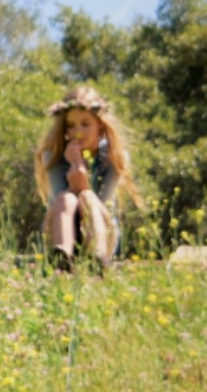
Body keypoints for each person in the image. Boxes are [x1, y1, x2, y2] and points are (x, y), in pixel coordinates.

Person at [33, 83, 141, 268]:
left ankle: (97, 259)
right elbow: (59, 200)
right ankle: (61, 257)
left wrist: (82, 181)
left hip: (101, 229)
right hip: (61, 228)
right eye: (71, 126)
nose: (78, 132)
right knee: (66, 198)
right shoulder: (52, 157)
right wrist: (74, 166)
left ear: (100, 124)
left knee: (87, 197)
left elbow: (104, 204)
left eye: (85, 124)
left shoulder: (114, 156)